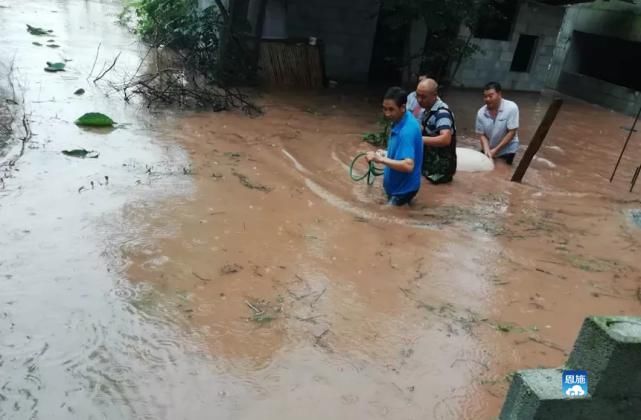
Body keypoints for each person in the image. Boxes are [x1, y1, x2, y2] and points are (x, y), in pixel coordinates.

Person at [366, 87, 423, 206]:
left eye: (391, 109)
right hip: (399, 186)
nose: (387, 114)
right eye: (385, 109)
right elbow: (403, 150)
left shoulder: (407, 130)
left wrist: (380, 159)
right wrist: (386, 153)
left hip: (403, 190)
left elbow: (408, 165)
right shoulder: (401, 119)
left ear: (402, 107)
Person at [415, 78, 457, 184]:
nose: (419, 100)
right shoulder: (425, 110)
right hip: (429, 164)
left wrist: (418, 139)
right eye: (417, 95)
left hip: (440, 170)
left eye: (423, 97)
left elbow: (445, 139)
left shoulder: (442, 113)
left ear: (434, 95)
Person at [475, 82, 520, 165]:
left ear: (499, 94)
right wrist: (486, 150)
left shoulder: (511, 107)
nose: (487, 99)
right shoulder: (481, 113)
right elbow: (482, 135)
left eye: (490, 96)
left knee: (502, 170)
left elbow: (512, 132)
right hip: (491, 146)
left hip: (507, 148)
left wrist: (495, 151)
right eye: (485, 96)